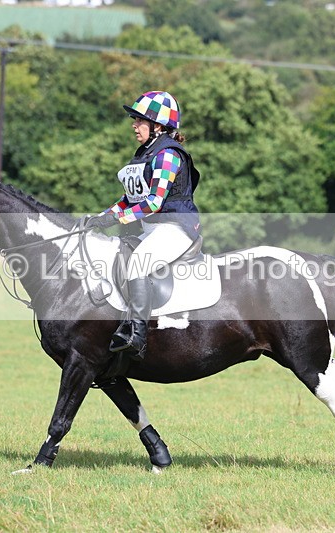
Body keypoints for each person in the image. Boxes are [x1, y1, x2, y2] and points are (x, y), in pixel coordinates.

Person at [90, 91, 201, 362]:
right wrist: (99, 217)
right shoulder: (144, 154)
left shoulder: (168, 155)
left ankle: (136, 336)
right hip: (151, 230)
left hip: (175, 229)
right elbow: (129, 200)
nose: (134, 125)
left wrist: (115, 219)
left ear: (158, 126)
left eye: (140, 120)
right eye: (135, 120)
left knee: (138, 262)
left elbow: (152, 203)